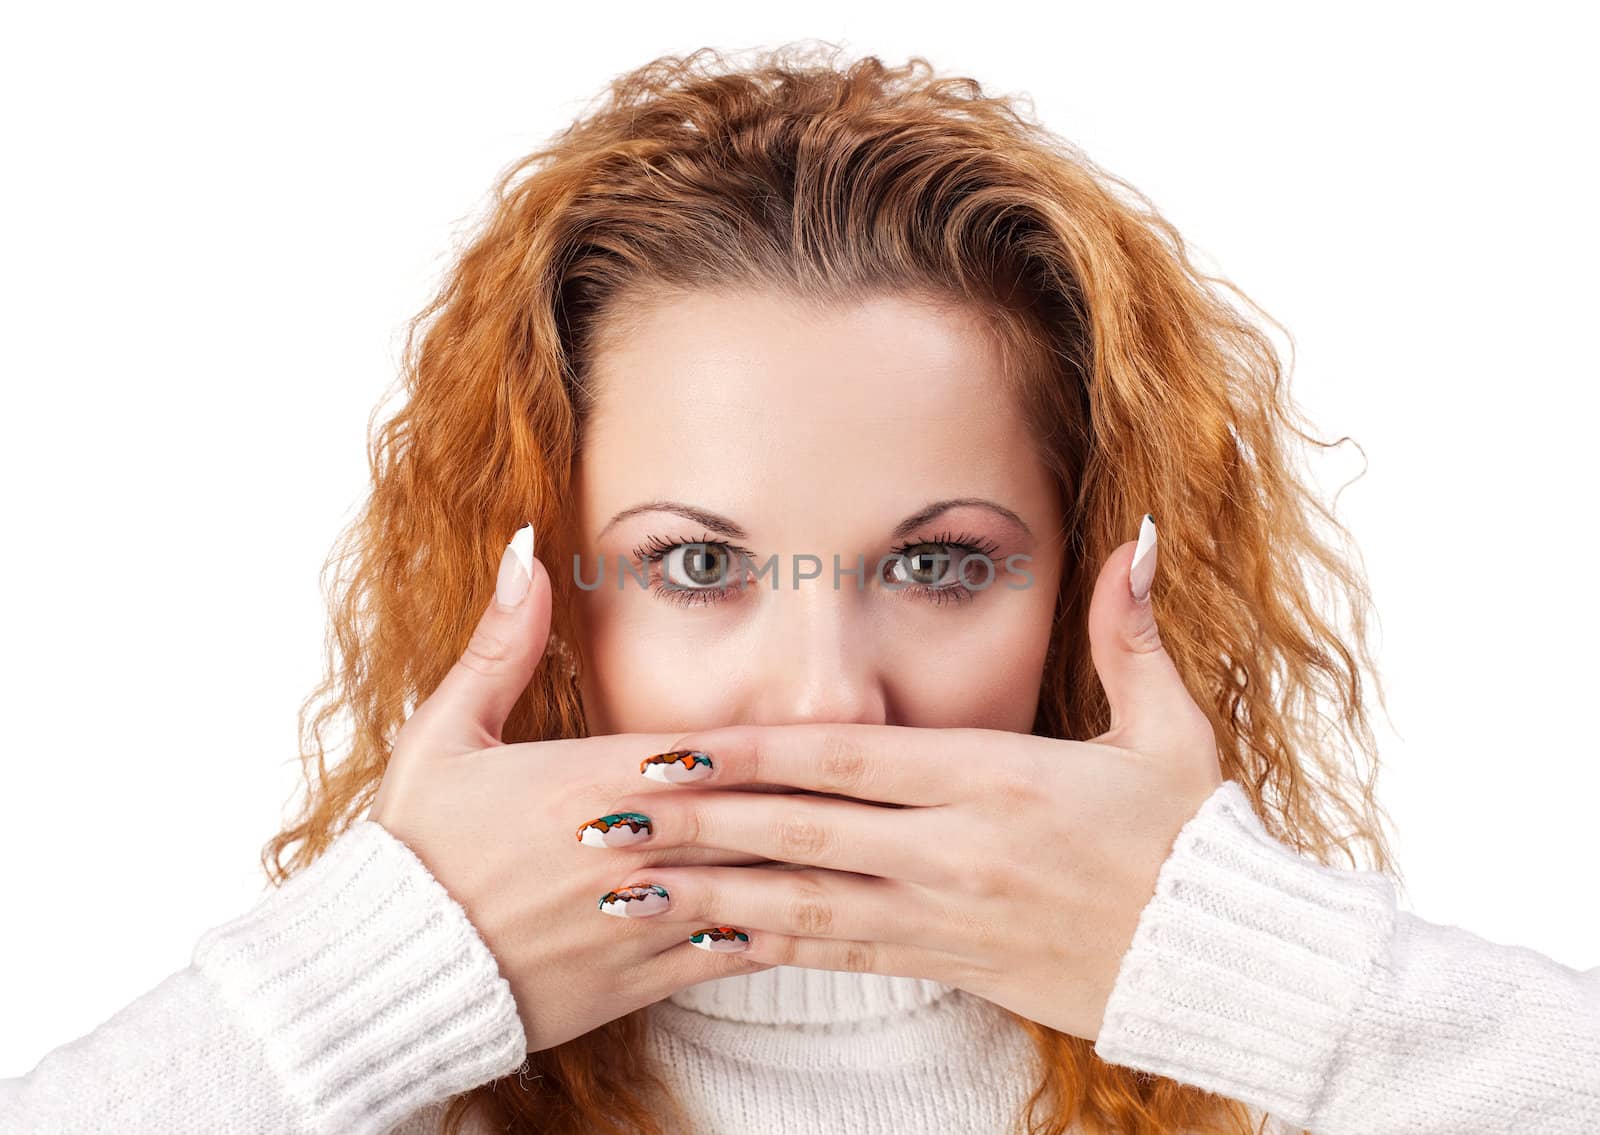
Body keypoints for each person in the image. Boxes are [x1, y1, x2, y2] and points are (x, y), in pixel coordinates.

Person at [3, 41, 1597, 1135]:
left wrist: (1256, 974)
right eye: (698, 565)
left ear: (1096, 576)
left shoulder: (1298, 1055)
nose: (829, 700)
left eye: (940, 563)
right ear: (544, 588)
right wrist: (369, 975)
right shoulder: (367, 1075)